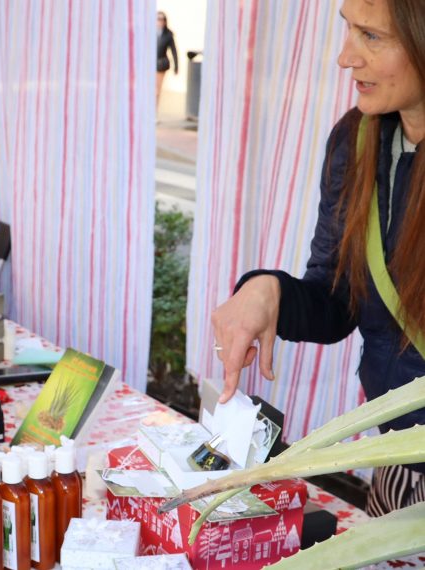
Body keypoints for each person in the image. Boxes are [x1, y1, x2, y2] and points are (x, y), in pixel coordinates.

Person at [211, 0, 424, 517]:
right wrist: (268, 291)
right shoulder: (357, 140)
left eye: (372, 36)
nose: (345, 57)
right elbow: (337, 299)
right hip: (399, 458)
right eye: (348, 30)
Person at [156, 11, 179, 108]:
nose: (159, 21)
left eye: (161, 19)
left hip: (161, 64)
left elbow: (174, 51)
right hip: (150, 65)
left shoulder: (168, 35)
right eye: (157, 19)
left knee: (156, 90)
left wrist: (176, 66)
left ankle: (154, 111)